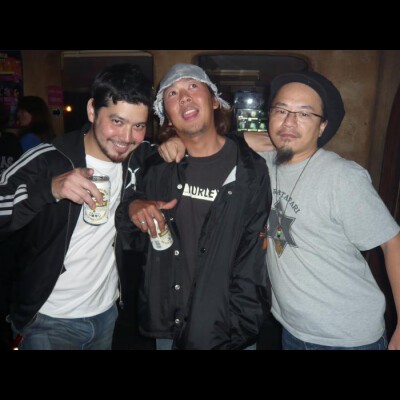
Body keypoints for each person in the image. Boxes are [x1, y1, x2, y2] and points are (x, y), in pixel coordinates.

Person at [116, 63, 272, 350]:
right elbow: (129, 236)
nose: (184, 97)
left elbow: (253, 254)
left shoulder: (250, 169)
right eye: (172, 94)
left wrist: (240, 323)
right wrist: (133, 208)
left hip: (228, 326)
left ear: (214, 100)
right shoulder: (156, 168)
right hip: (168, 324)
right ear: (167, 116)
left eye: (192, 86)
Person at [0, 63, 154, 350]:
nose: (127, 138)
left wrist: (176, 144)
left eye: (138, 126)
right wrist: (49, 190)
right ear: (92, 111)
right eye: (117, 121)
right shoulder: (48, 159)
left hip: (106, 314)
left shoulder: (139, 158)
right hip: (48, 319)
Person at [242, 70, 400, 350]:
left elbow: (392, 243)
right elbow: (208, 144)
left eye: (304, 114)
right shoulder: (264, 162)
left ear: (322, 127)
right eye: (281, 110)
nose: (289, 122)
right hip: (292, 329)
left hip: (347, 336)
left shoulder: (342, 177)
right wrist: (243, 137)